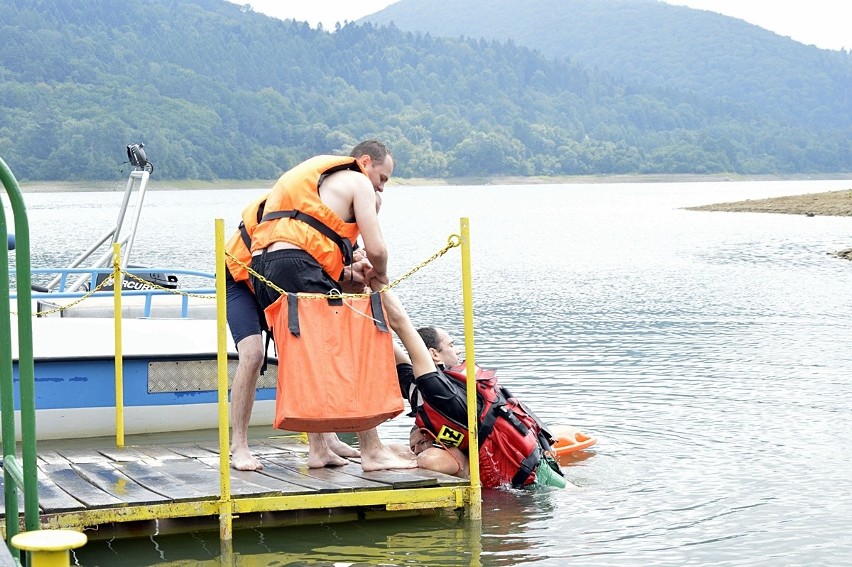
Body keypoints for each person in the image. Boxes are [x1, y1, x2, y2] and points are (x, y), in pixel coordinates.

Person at [248, 140, 415, 472]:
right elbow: (377, 249)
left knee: (310, 356)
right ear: (365, 162)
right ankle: (372, 451)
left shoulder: (324, 183)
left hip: (261, 267)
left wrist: (347, 272)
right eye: (383, 177)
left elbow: (317, 240)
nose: (382, 186)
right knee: (347, 350)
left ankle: (319, 449)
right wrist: (378, 276)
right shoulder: (357, 181)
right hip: (295, 262)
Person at [377, 287, 567, 489]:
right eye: (451, 345)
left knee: (427, 458)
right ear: (434, 354)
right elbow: (392, 331)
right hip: (508, 478)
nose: (458, 350)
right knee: (396, 449)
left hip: (536, 479)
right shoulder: (422, 390)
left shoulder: (444, 393)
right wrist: (374, 287)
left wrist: (377, 286)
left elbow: (400, 325)